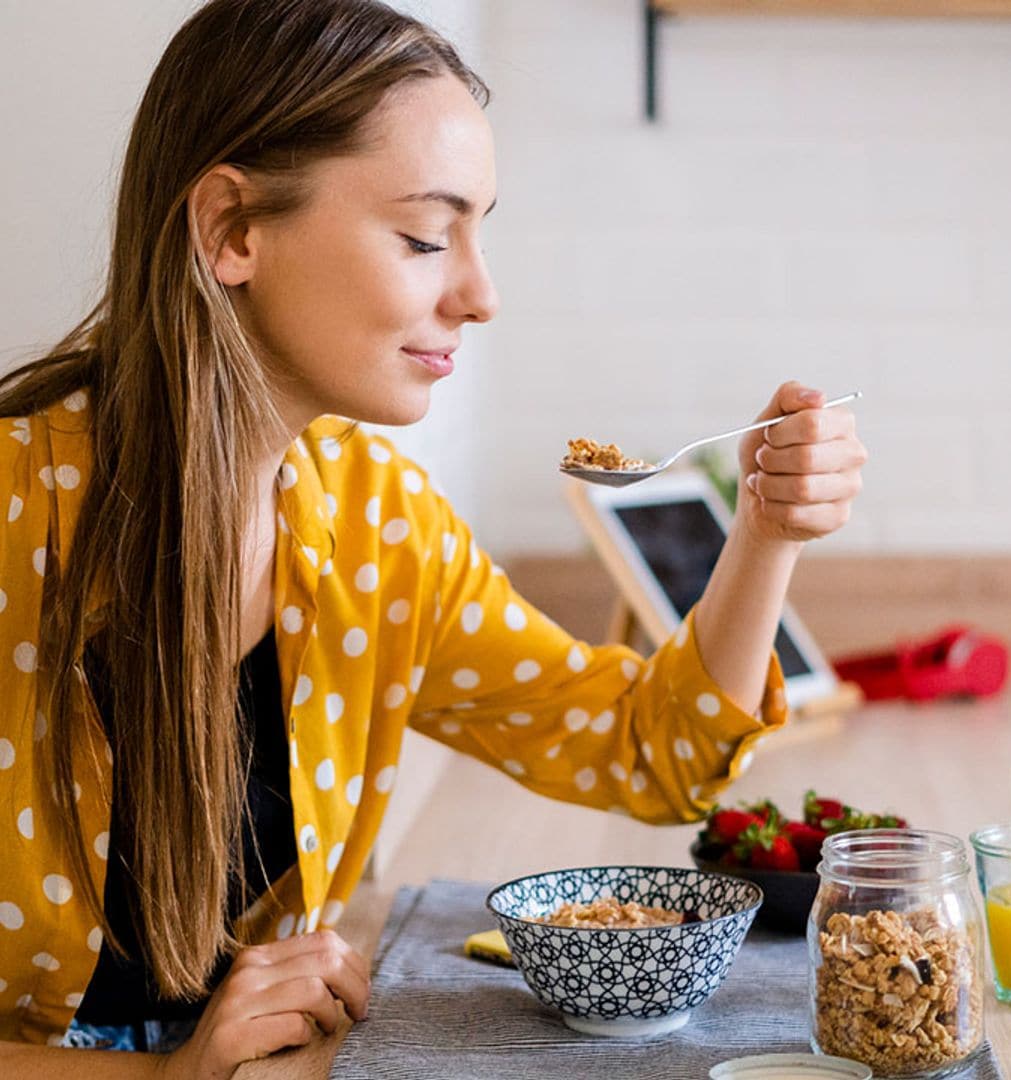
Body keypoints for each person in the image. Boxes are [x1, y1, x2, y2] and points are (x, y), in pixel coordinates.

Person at [0, 0, 867, 1075]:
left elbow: (649, 748)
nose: (480, 293)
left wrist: (768, 533)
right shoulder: (14, 511)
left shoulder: (377, 526)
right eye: (423, 235)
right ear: (231, 231)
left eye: (478, 230)